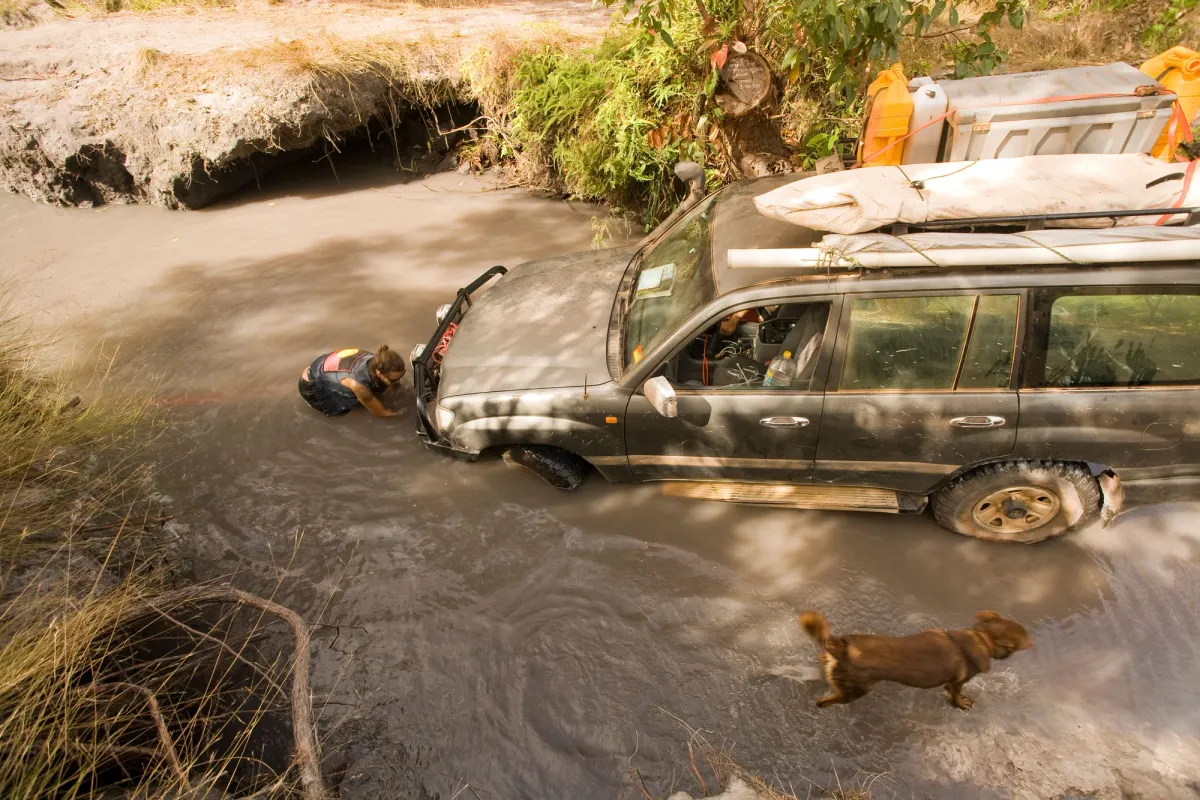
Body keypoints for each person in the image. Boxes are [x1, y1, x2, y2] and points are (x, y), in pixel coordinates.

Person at [298, 345, 406, 417]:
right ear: (379, 373)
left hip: (324, 366)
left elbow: (393, 382)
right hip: (311, 384)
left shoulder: (378, 360)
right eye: (394, 379)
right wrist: (400, 414)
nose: (398, 381)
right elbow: (382, 414)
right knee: (353, 410)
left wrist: (395, 385)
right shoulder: (359, 386)